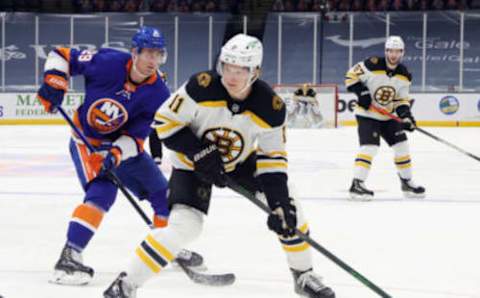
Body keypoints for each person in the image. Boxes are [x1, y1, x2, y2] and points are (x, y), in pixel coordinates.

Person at [102, 33, 336, 298]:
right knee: (186, 226)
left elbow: (273, 159)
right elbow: (164, 124)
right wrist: (201, 152)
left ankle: (303, 275)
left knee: (290, 208)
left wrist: (279, 202)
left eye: (240, 70)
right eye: (227, 67)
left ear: (255, 71)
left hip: (241, 165)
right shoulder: (200, 87)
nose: (231, 76)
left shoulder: (270, 106)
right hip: (192, 164)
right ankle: (125, 285)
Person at [37, 26, 198, 286]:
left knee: (163, 194)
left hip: (120, 146)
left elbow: (137, 137)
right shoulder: (107, 62)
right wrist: (55, 80)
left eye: (159, 55)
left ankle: (164, 246)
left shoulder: (158, 93)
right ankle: (69, 255)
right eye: (148, 54)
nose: (153, 61)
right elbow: (61, 54)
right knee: (103, 192)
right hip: (87, 141)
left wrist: (115, 153)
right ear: (135, 52)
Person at [344, 35, 426, 200]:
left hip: (388, 116)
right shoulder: (372, 64)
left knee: (402, 146)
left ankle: (407, 182)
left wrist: (406, 116)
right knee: (370, 147)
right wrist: (362, 92)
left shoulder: (405, 74)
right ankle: (357, 184)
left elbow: (401, 100)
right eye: (390, 51)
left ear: (402, 53)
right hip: (367, 114)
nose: (393, 55)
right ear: (386, 51)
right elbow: (350, 76)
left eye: (397, 51)